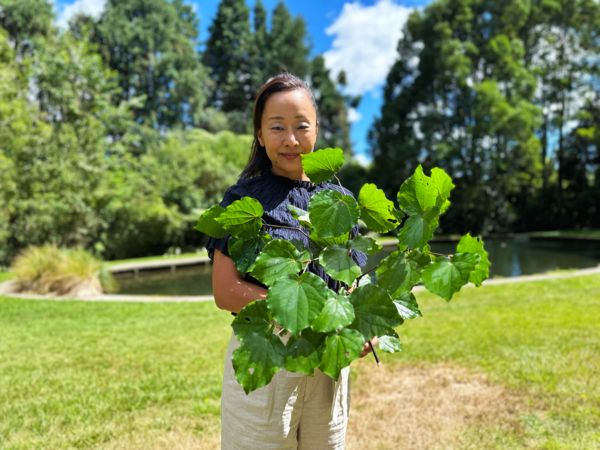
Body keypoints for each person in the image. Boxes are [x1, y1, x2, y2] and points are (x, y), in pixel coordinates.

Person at [206, 73, 375, 449]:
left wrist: (360, 322)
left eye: (301, 126)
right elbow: (226, 290)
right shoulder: (243, 201)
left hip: (328, 357)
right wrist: (305, 312)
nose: (291, 139)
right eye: (277, 127)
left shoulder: (340, 201)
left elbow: (353, 280)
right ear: (260, 134)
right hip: (267, 352)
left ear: (317, 130)